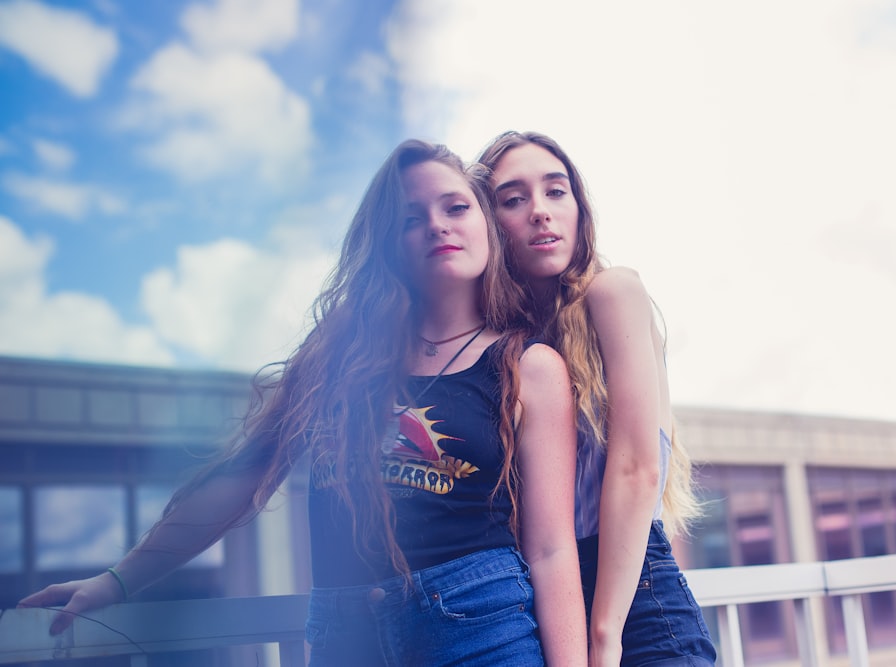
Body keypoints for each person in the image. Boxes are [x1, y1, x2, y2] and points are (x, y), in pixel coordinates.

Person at [19, 139, 587, 667]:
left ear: (486, 223)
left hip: (481, 627)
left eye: (455, 207)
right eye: (411, 218)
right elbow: (248, 474)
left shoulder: (528, 367)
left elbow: (551, 549)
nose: (436, 225)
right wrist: (118, 581)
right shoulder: (343, 351)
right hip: (345, 637)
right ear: (388, 244)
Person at [478, 131, 717, 667]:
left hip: (635, 604)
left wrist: (605, 635)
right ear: (490, 226)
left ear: (580, 211)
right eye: (514, 199)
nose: (540, 211)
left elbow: (637, 468)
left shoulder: (613, 293)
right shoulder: (502, 345)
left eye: (556, 192)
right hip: (540, 605)